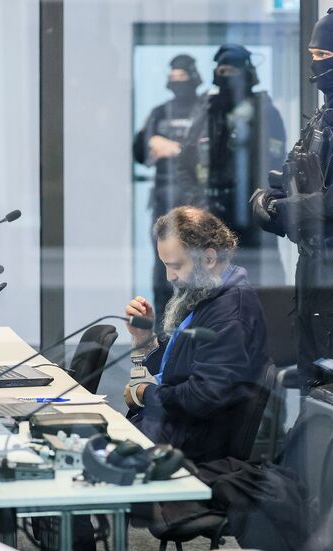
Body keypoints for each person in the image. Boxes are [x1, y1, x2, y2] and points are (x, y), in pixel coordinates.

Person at [250, 4, 333, 389]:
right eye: (313, 54)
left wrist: (284, 211)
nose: (316, 63)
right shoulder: (327, 114)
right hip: (313, 279)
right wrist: (268, 202)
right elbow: (294, 177)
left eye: (323, 54)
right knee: (313, 396)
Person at [123, 206, 269, 462]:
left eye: (176, 266)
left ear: (209, 258)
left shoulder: (229, 313)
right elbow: (176, 373)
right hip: (169, 433)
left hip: (186, 451)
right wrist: (145, 339)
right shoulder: (209, 295)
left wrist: (144, 393)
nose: (169, 276)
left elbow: (203, 396)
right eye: (165, 265)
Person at [177, 44, 287, 289]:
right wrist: (195, 200)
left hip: (250, 216)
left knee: (255, 286)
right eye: (222, 71)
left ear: (247, 74)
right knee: (207, 287)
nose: (227, 77)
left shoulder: (264, 111)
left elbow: (273, 165)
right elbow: (184, 163)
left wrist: (259, 203)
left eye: (233, 71)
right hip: (208, 213)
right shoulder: (205, 110)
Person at [133, 54, 206, 329]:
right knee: (163, 269)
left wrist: (176, 149)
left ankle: (196, 329)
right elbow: (140, 152)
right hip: (163, 202)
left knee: (197, 267)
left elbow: (212, 154)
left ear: (194, 79)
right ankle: (164, 333)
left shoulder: (205, 110)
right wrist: (152, 143)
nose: (177, 84)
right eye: (173, 78)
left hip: (198, 204)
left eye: (182, 78)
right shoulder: (160, 112)